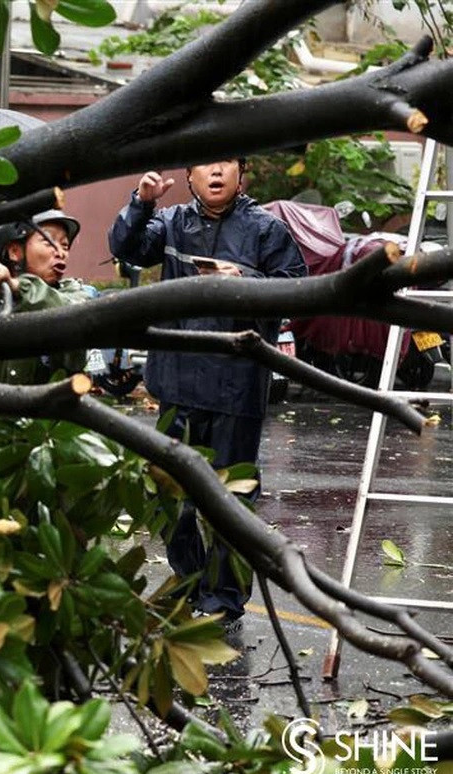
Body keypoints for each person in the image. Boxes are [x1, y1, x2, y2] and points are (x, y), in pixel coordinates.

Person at [107, 159, 306, 624]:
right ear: (191, 177)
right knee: (167, 496)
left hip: (236, 387)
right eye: (205, 165)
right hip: (175, 381)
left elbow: (298, 289)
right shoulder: (172, 222)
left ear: (242, 177)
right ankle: (193, 581)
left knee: (230, 502)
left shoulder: (265, 231)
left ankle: (225, 600)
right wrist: (141, 202)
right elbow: (127, 248)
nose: (215, 173)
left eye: (225, 165)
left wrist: (246, 283)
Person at [0, 208, 97, 384]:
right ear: (14, 251)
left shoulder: (77, 294)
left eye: (65, 245)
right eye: (49, 242)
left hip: (49, 409)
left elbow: (71, 312)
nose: (61, 252)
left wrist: (16, 286)